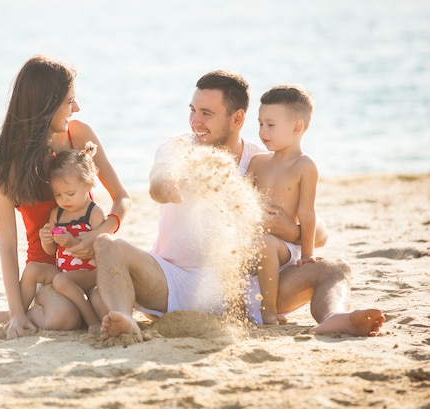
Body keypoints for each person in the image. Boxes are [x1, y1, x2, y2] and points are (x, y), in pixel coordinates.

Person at [92, 69, 385, 341]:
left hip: (244, 291)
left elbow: (319, 234)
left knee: (335, 268)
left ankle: (334, 317)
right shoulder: (177, 149)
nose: (196, 121)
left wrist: (292, 230)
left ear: (237, 119)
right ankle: (123, 320)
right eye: (193, 111)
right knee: (108, 245)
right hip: (174, 281)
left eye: (207, 113)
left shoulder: (262, 160)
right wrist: (172, 186)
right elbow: (157, 185)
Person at [0, 55, 131, 339]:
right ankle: (17, 309)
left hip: (91, 265)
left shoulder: (79, 135)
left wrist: (98, 234)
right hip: (47, 273)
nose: (78, 108)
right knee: (62, 318)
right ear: (46, 105)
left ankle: (21, 309)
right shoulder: (7, 167)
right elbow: (8, 247)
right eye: (70, 101)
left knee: (111, 308)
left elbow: (122, 198)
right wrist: (17, 314)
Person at [246, 84, 318, 325]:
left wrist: (308, 254)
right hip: (255, 240)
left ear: (296, 127)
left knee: (265, 243)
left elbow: (307, 214)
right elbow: (241, 201)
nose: (263, 131)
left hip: (285, 247)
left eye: (271, 125)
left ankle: (269, 311)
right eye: (260, 124)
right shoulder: (257, 162)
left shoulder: (304, 166)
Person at [31, 142, 105, 332]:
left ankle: (91, 321)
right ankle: (19, 312)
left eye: (70, 193)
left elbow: (100, 249)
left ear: (88, 184)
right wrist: (46, 239)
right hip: (67, 276)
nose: (64, 200)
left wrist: (72, 242)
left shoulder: (94, 213)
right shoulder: (57, 214)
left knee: (61, 281)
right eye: (58, 195)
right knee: (49, 277)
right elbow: (52, 251)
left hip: (90, 273)